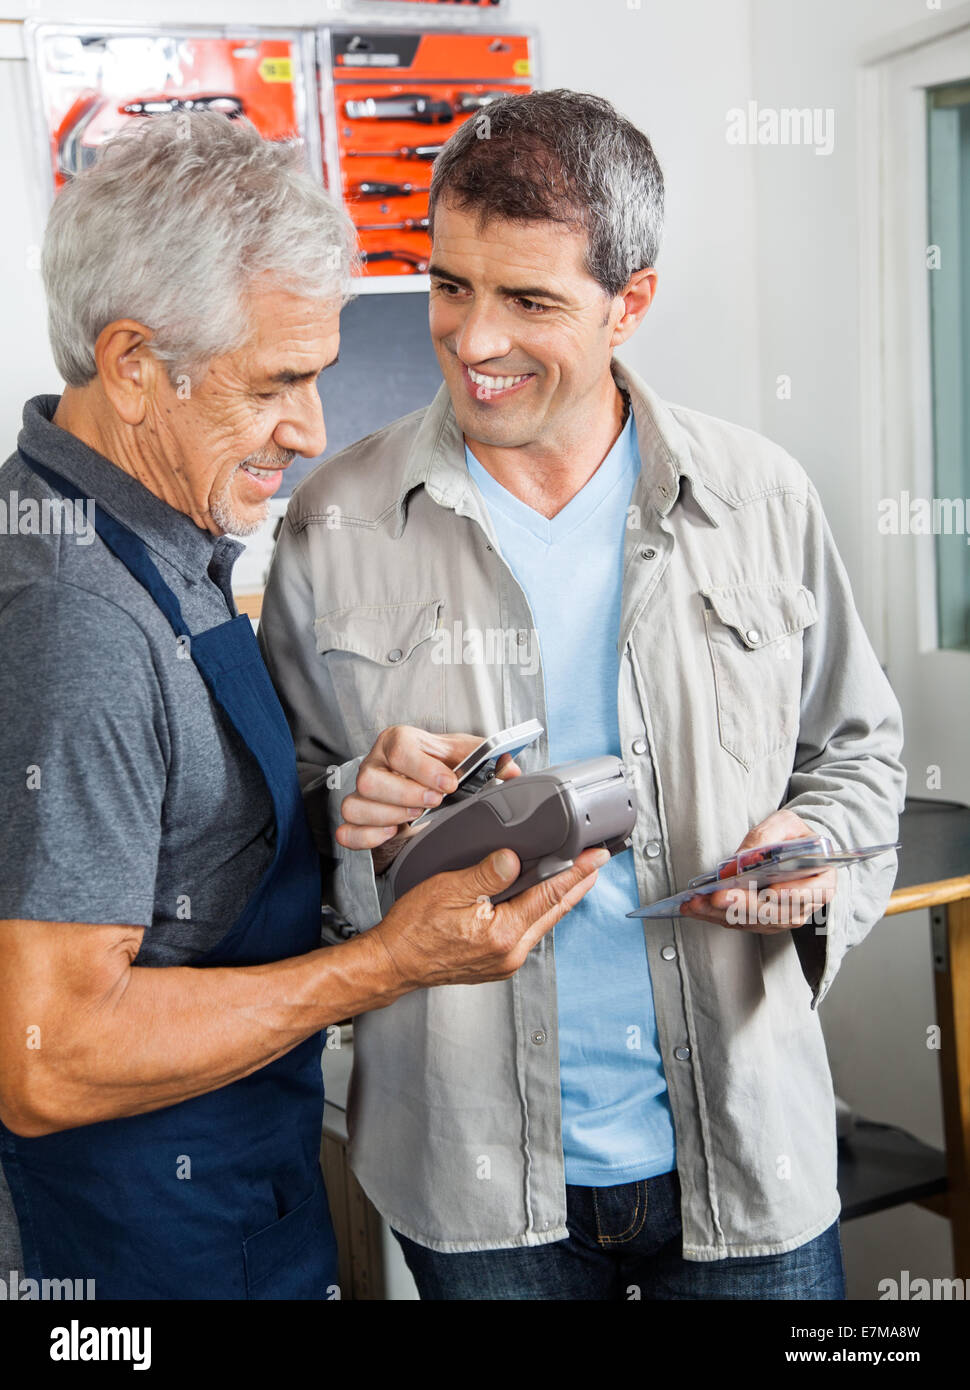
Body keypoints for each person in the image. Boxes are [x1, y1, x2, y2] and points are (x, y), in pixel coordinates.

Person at [258, 89, 907, 1301]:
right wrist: (355, 805)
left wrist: (818, 849)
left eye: (529, 300)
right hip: (471, 1173)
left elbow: (860, 756)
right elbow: (278, 831)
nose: (473, 339)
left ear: (632, 302)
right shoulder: (331, 518)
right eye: (451, 286)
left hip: (744, 1162)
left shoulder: (759, 498)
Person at [0, 110, 607, 1302]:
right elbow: (48, 1055)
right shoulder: (76, 620)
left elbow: (167, 840)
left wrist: (344, 798)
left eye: (316, 377)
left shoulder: (155, 536)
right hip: (136, 1251)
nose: (312, 430)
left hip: (232, 1201)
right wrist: (385, 964)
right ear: (131, 366)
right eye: (274, 384)